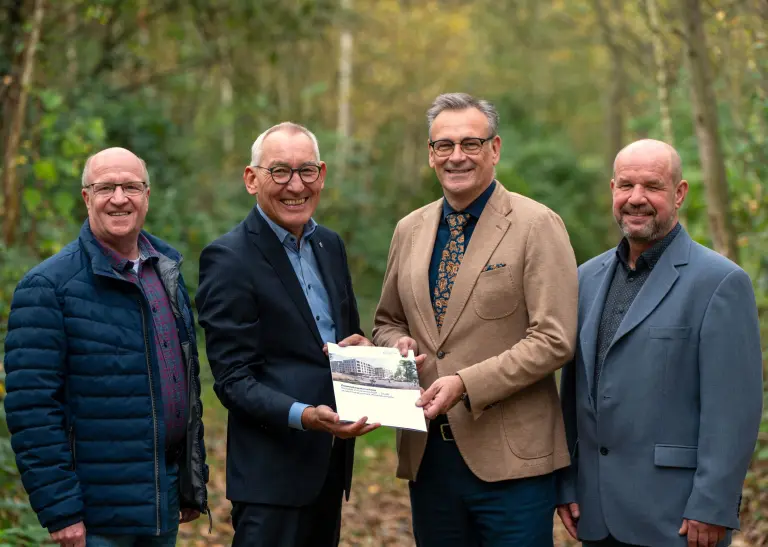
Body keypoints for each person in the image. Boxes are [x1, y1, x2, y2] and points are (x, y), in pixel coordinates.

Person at [370, 93, 579, 546]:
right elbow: (387, 321)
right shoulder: (409, 229)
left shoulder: (537, 224)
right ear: (430, 154)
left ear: (495, 149)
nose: (456, 156)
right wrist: (395, 346)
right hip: (428, 460)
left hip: (511, 465)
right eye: (444, 145)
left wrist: (466, 382)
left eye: (470, 143)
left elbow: (555, 339)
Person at [555, 139, 763, 547]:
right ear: (612, 189)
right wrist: (567, 482)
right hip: (595, 514)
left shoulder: (719, 282)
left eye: (652, 186)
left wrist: (712, 503)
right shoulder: (584, 279)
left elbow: (733, 411)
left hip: (680, 519)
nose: (636, 199)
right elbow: (572, 395)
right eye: (626, 186)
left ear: (679, 193)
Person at [3, 147, 209, 547]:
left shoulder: (165, 270)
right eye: (105, 187)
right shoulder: (47, 287)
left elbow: (182, 380)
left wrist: (188, 483)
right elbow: (32, 410)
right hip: (95, 517)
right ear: (86, 197)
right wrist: (61, 510)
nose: (119, 198)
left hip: (160, 505)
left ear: (147, 195)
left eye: (131, 186)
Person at [195, 122, 379, 547]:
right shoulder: (228, 259)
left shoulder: (329, 245)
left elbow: (346, 337)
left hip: (329, 470)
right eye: (280, 172)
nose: (295, 185)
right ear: (251, 178)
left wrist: (369, 351)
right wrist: (306, 416)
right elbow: (233, 381)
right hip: (270, 479)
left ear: (322, 175)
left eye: (307, 171)